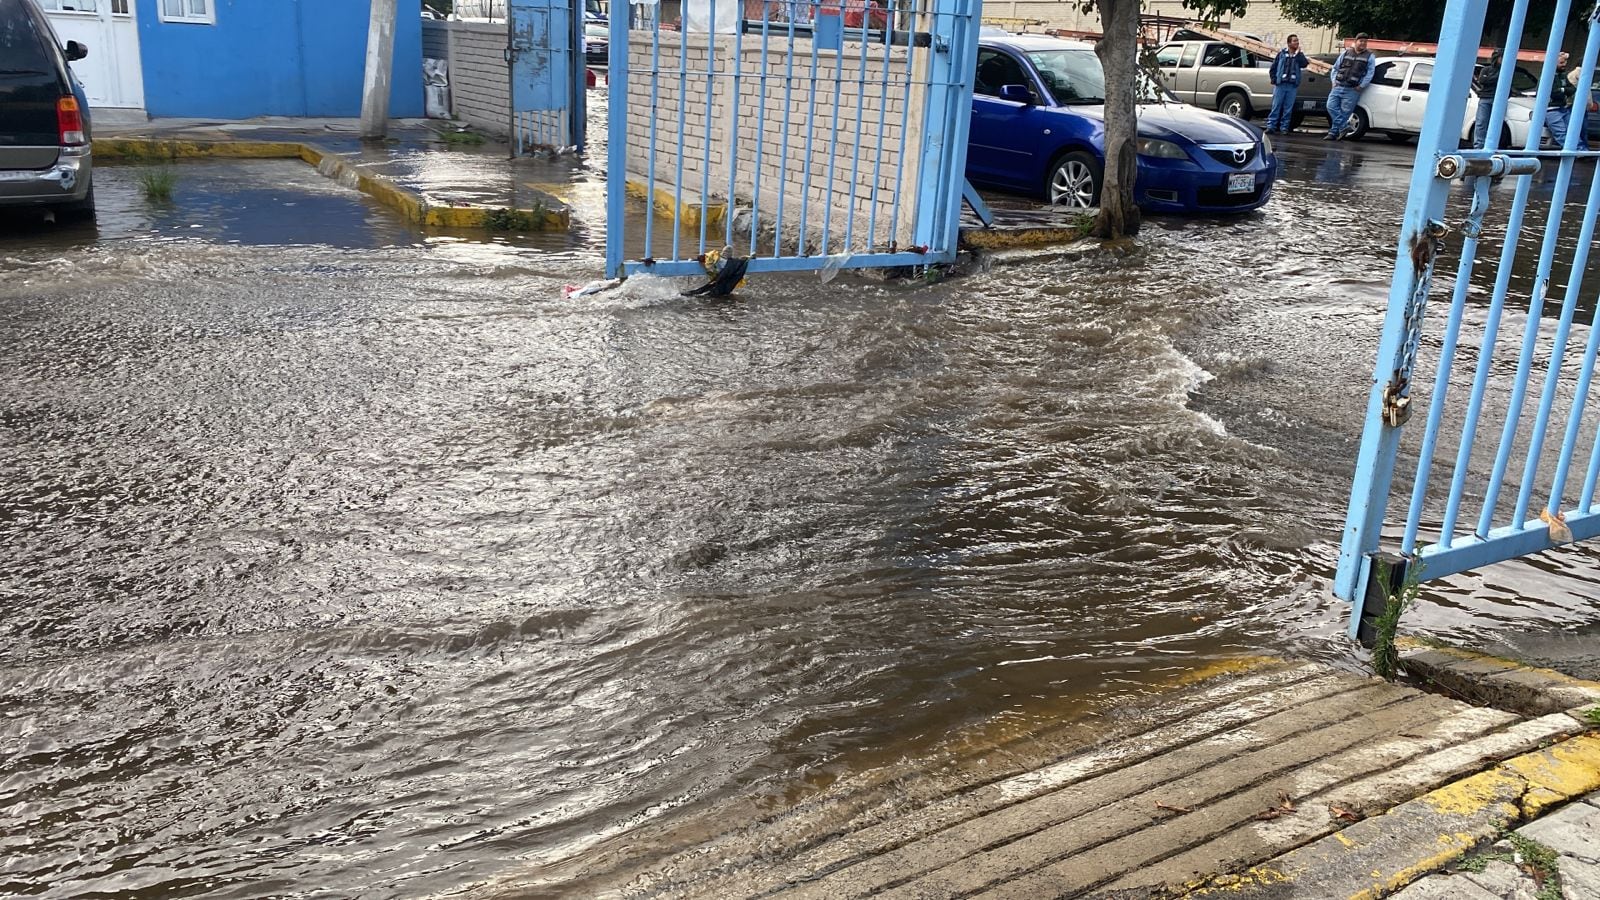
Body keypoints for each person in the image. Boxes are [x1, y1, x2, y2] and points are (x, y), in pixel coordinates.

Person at [1325, 33, 1376, 140]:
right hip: (1338, 85)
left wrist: (1362, 86)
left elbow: (1370, 73)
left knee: (1344, 112)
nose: (1363, 43)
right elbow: (1335, 68)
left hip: (1353, 89)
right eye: (1361, 41)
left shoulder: (1369, 56)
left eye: (1365, 41)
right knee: (1330, 106)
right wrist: (1333, 81)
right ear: (1355, 41)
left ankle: (1333, 133)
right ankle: (1344, 127)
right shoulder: (1346, 52)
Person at [1266, 34, 1310, 134]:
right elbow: (1273, 67)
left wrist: (1299, 54)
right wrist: (1274, 79)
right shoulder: (1281, 54)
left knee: (1288, 108)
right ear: (1289, 43)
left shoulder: (1299, 55)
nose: (1297, 43)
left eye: (1297, 41)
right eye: (1294, 41)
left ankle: (1284, 127)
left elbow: (1304, 64)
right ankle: (1271, 126)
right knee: (1276, 106)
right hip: (1280, 85)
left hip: (1292, 86)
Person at [1471, 48, 1504, 149]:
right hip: (1485, 98)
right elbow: (1482, 80)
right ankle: (1479, 146)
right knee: (1481, 122)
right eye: (1501, 57)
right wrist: (1497, 78)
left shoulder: (1505, 70)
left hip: (1499, 99)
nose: (1502, 60)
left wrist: (1490, 79)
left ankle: (1492, 146)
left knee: (1495, 123)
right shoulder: (1486, 69)